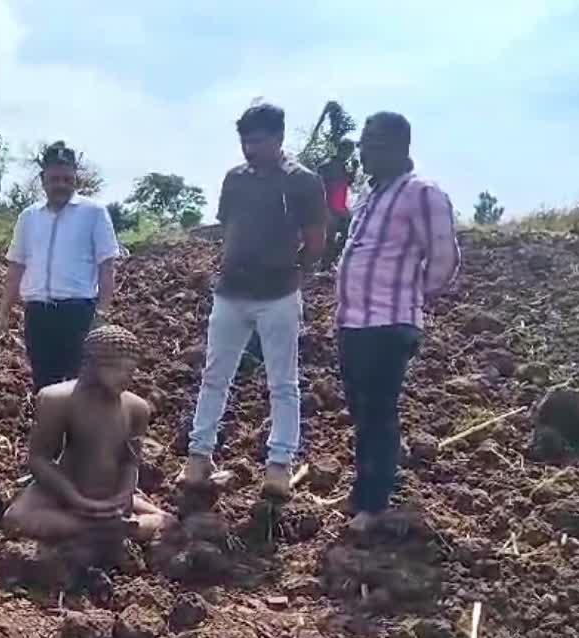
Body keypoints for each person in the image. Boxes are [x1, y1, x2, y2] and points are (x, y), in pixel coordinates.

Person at [177, 103, 327, 499]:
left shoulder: (303, 182)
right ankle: (199, 455)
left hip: (278, 293)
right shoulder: (235, 179)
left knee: (282, 382)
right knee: (214, 376)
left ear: (278, 138)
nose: (249, 148)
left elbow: (315, 241)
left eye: (257, 141)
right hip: (231, 291)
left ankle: (279, 464)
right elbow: (230, 228)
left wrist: (298, 274)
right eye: (244, 140)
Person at [336, 112, 459, 531]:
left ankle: (374, 505)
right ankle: (365, 491)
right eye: (363, 142)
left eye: (372, 142)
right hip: (353, 321)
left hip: (388, 323)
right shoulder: (370, 197)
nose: (363, 150)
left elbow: (443, 257)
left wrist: (410, 296)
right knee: (361, 409)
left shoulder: (421, 193)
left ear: (398, 145)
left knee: (377, 411)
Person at [2, 325, 177, 542]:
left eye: (130, 371)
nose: (125, 378)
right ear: (93, 365)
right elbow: (39, 460)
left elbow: (130, 463)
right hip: (65, 491)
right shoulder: (57, 399)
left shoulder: (137, 408)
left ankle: (101, 529)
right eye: (117, 369)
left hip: (111, 494)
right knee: (16, 518)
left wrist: (123, 495)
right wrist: (76, 499)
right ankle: (101, 530)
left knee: (167, 521)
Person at [0, 141, 121, 393]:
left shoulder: (94, 213)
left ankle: (75, 432)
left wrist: (102, 314)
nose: (61, 185)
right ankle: (49, 431)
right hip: (38, 314)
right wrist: (3, 314)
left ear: (75, 179)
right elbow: (16, 266)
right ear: (43, 180)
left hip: (78, 314)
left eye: (67, 179)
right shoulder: (28, 217)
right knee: (43, 384)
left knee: (77, 386)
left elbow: (106, 265)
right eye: (54, 179)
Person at [318, 138, 359, 271]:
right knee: (329, 238)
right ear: (341, 149)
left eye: (351, 151)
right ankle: (323, 266)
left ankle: (329, 262)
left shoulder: (343, 165)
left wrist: (354, 169)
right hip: (329, 206)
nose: (349, 154)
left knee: (350, 233)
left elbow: (349, 181)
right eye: (348, 150)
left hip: (340, 207)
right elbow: (319, 185)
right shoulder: (328, 165)